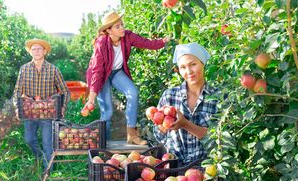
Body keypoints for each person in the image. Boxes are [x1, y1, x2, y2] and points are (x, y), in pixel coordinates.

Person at [85, 11, 169, 145]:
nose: (122, 28)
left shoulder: (127, 36)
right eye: (117, 27)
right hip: (102, 75)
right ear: (109, 31)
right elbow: (97, 71)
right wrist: (91, 98)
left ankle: (132, 134)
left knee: (133, 93)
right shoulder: (101, 43)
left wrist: (163, 42)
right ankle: (103, 142)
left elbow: (147, 43)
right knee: (107, 110)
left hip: (117, 72)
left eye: (121, 25)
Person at [153, 42, 218, 166]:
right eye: (183, 67)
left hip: (208, 170)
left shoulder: (217, 97)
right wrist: (162, 125)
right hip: (174, 171)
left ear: (202, 63)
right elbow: (158, 136)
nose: (188, 71)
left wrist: (185, 124)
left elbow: (218, 139)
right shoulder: (170, 96)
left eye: (193, 64)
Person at [13, 38, 70, 170]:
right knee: (29, 139)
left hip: (47, 113)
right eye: (33, 49)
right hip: (30, 112)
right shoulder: (24, 69)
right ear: (30, 52)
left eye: (39, 49)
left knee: (47, 143)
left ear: (45, 51)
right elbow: (17, 91)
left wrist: (62, 107)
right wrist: (17, 107)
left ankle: (48, 173)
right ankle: (41, 157)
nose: (36, 51)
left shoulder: (53, 70)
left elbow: (65, 91)